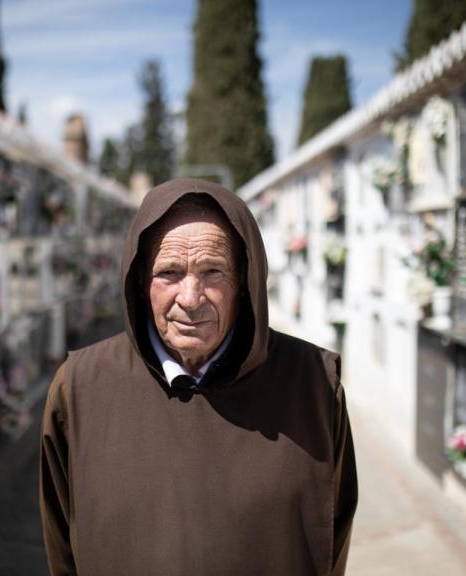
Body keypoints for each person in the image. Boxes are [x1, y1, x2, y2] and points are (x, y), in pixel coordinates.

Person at [39, 177, 358, 575]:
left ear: (245, 281)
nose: (190, 299)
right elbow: (61, 549)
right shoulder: (80, 388)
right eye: (169, 272)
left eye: (213, 271)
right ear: (140, 281)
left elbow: (332, 541)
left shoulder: (313, 386)